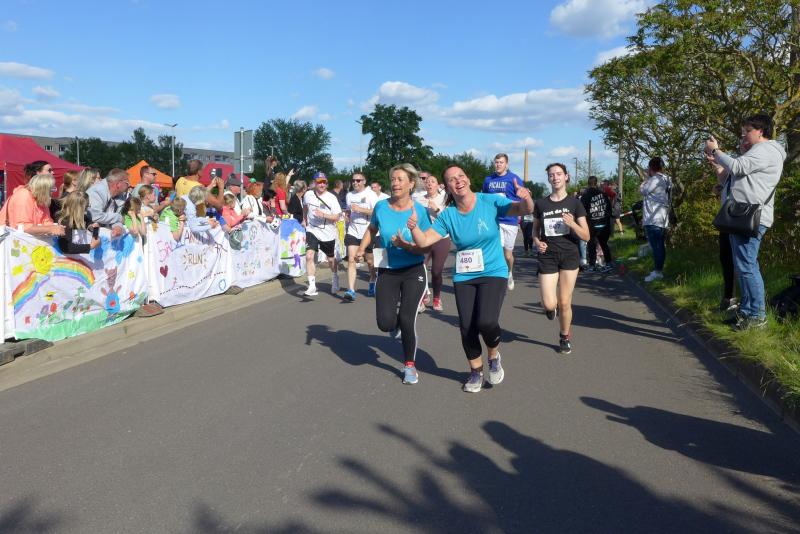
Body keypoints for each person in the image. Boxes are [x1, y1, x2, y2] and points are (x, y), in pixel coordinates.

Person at [408, 164, 533, 392]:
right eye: (452, 179)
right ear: (447, 187)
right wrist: (414, 228)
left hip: (493, 271)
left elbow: (520, 209)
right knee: (467, 327)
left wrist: (526, 199)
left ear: (468, 179)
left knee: (486, 322)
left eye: (461, 176)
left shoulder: (489, 201)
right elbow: (425, 240)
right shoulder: (448, 215)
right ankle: (475, 372)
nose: (458, 181)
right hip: (465, 275)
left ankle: (493, 355)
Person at [706, 113, 785, 330]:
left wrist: (715, 150)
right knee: (744, 266)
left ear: (761, 131)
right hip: (742, 216)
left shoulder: (766, 150)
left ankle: (757, 317)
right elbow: (735, 175)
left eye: (747, 131)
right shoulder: (762, 151)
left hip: (750, 217)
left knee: (747, 266)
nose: (744, 135)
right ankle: (747, 312)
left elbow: (737, 167)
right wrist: (718, 164)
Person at [356, 163, 431, 385]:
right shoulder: (381, 207)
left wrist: (406, 245)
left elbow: (426, 247)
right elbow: (372, 229)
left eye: (400, 179)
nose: (395, 183)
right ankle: (395, 324)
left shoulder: (420, 212)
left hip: (413, 270)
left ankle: (410, 365)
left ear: (411, 184)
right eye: (393, 179)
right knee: (385, 323)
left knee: (407, 318)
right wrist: (361, 248)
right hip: (387, 269)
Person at [533, 163, 590, 355]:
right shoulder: (541, 204)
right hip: (548, 255)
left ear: (566, 176)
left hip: (569, 255)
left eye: (559, 174)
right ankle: (550, 309)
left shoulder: (575, 203)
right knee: (549, 304)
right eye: (551, 175)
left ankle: (564, 336)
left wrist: (572, 223)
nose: (555, 177)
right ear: (548, 179)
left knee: (564, 302)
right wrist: (537, 242)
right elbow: (535, 231)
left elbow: (586, 236)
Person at [707, 139, 751, 313]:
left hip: (741, 218)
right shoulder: (738, 162)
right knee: (726, 258)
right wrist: (718, 172)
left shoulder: (748, 162)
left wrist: (716, 152)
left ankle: (748, 306)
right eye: (741, 139)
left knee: (743, 262)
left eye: (745, 138)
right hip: (729, 218)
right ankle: (729, 299)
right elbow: (725, 179)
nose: (742, 142)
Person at [482, 153, 522, 290]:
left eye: (501, 162)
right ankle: (496, 279)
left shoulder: (514, 179)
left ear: (507, 164)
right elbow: (484, 198)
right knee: (495, 251)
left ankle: (509, 272)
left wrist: (506, 201)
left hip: (510, 220)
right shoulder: (488, 180)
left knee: (507, 255)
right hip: (494, 220)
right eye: (496, 162)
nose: (498, 164)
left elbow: (521, 199)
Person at [302, 172, 342, 296]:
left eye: (324, 182)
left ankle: (335, 277)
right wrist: (304, 219)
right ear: (314, 183)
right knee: (309, 256)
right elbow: (305, 207)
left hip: (327, 233)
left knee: (330, 259)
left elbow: (337, 216)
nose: (322, 184)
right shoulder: (308, 194)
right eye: (319, 182)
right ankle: (312, 286)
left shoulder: (331, 198)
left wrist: (323, 214)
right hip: (312, 230)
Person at [343, 172, 377, 301]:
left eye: (358, 180)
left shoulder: (371, 195)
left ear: (364, 181)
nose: (355, 183)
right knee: (351, 259)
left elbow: (376, 212)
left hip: (368, 232)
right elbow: (348, 210)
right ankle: (351, 290)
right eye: (353, 180)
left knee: (370, 261)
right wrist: (347, 216)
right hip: (353, 230)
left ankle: (373, 279)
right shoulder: (349, 195)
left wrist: (360, 209)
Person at [418, 172, 449, 311]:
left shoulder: (445, 198)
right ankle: (423, 296)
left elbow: (448, 220)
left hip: (441, 238)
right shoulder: (419, 199)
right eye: (427, 182)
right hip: (424, 239)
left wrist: (436, 209)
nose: (429, 184)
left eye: (433, 182)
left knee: (436, 271)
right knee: (420, 268)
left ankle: (437, 298)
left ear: (438, 185)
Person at [0, 173, 65, 237]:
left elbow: (47, 221)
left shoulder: (41, 199)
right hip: (10, 238)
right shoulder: (23, 196)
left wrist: (55, 227)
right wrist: (50, 229)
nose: (52, 192)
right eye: (51, 189)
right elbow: (23, 227)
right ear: (43, 189)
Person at [640, 157, 672, 282]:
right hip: (662, 217)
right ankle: (659, 270)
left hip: (653, 218)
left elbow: (643, 190)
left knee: (656, 246)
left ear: (650, 167)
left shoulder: (654, 180)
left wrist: (645, 179)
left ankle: (658, 272)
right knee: (660, 245)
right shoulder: (667, 178)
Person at [581, 176, 614, 273]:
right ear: (596, 183)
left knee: (591, 245)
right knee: (604, 244)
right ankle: (609, 264)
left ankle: (592, 266)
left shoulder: (585, 196)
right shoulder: (603, 194)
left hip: (592, 224)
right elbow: (609, 209)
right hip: (604, 224)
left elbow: (581, 210)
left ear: (588, 183)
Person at [87, 168, 129, 238]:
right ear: (118, 184)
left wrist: (118, 226)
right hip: (88, 237)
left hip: (105, 236)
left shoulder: (121, 196)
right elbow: (96, 217)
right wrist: (119, 218)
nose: (129, 185)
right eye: (127, 183)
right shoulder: (96, 192)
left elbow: (115, 216)